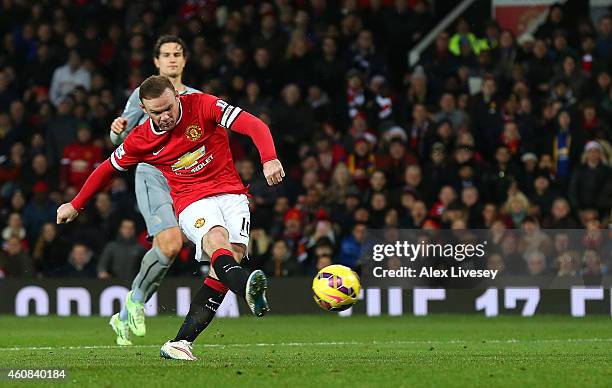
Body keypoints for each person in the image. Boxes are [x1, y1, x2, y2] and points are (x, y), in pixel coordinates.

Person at [57, 74, 285, 360]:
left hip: (232, 194)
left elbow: (254, 125)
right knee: (217, 240)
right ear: (144, 110)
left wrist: (269, 157)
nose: (164, 116)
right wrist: (76, 204)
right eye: (156, 112)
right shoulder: (139, 140)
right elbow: (106, 169)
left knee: (229, 260)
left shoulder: (203, 105)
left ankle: (180, 343)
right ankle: (245, 286)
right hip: (191, 201)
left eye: (168, 108)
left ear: (177, 97)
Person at [107, 35, 201, 345]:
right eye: (166, 54)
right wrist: (115, 131)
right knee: (172, 243)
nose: (172, 59)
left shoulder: (197, 98)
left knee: (171, 249)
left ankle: (124, 313)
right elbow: (122, 141)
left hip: (185, 177)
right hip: (153, 174)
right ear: (156, 62)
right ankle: (135, 302)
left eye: (177, 53)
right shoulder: (141, 94)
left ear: (185, 60)